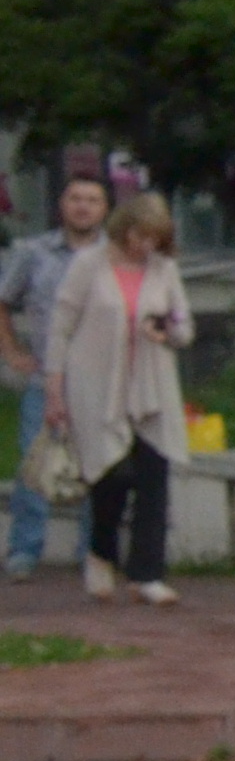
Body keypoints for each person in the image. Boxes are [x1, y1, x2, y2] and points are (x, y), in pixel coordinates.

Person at [50, 187, 192, 607]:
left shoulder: (165, 270)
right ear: (124, 228)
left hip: (150, 385)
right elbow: (61, 326)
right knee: (111, 474)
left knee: (154, 474)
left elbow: (184, 326)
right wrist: (54, 387)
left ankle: (147, 573)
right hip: (96, 384)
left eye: (154, 238)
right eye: (139, 235)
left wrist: (165, 330)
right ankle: (100, 552)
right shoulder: (88, 264)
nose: (144, 245)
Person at [1, 167, 114, 584]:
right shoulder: (34, 252)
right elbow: (4, 300)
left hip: (102, 378)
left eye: (92, 200)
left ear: (105, 209)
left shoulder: (114, 256)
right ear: (61, 205)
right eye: (75, 198)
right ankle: (25, 550)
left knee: (96, 466)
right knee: (36, 464)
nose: (83, 207)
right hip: (46, 375)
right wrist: (12, 351)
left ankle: (94, 551)